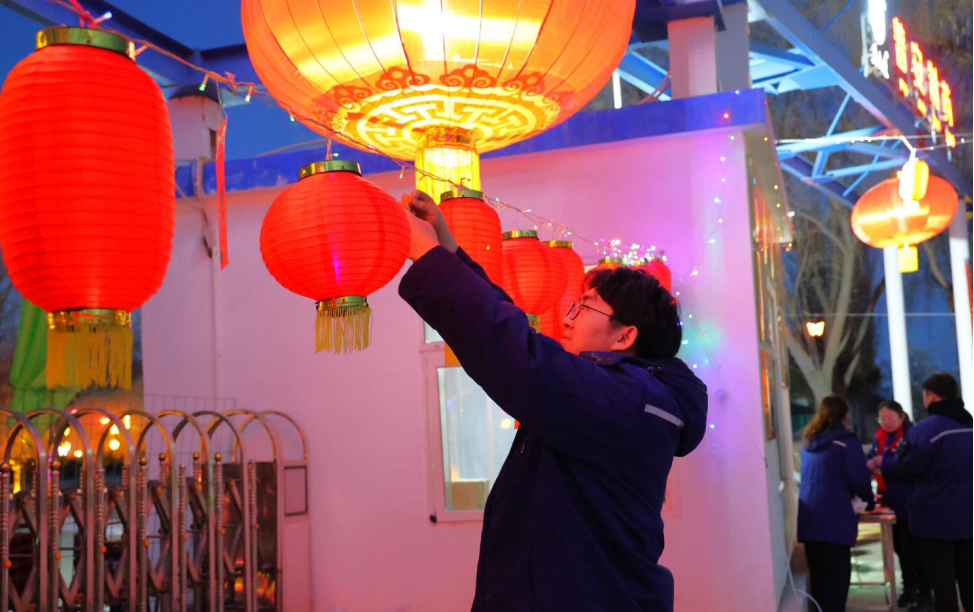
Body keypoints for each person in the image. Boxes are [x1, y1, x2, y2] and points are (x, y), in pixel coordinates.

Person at [398, 190, 709, 612]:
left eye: (583, 308)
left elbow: (519, 355)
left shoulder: (629, 400)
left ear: (625, 336)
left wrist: (429, 258)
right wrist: (448, 250)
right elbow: (516, 334)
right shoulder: (628, 394)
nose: (565, 318)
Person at [878, 374, 973, 612]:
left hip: (935, 519)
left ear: (930, 396)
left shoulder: (927, 430)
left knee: (943, 585)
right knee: (970, 580)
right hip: (968, 517)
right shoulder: (968, 425)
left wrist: (888, 462)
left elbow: (907, 466)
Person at [798, 395, 875, 612]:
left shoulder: (808, 442)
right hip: (835, 518)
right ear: (845, 415)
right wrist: (868, 502)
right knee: (836, 581)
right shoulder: (846, 442)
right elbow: (859, 478)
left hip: (809, 518)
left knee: (819, 581)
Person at [866, 400, 931, 608]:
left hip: (911, 501)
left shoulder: (912, 435)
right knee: (900, 549)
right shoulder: (879, 437)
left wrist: (883, 463)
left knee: (915, 549)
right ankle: (909, 588)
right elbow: (871, 458)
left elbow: (909, 465)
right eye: (882, 419)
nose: (886, 422)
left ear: (901, 416)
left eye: (890, 418)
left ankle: (925, 592)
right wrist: (870, 464)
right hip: (889, 501)